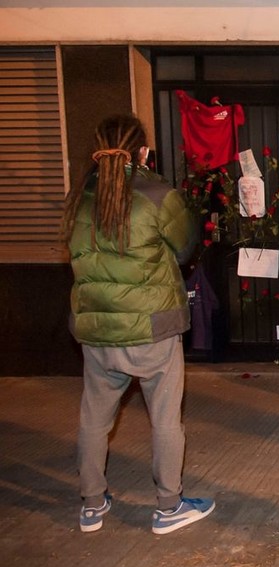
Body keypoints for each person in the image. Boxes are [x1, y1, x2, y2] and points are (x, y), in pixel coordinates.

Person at [61, 114, 215, 534]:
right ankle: (169, 506)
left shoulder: (79, 198)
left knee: (94, 418)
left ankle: (92, 504)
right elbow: (185, 248)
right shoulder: (157, 194)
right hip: (152, 328)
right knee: (165, 419)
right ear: (142, 152)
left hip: (97, 330)